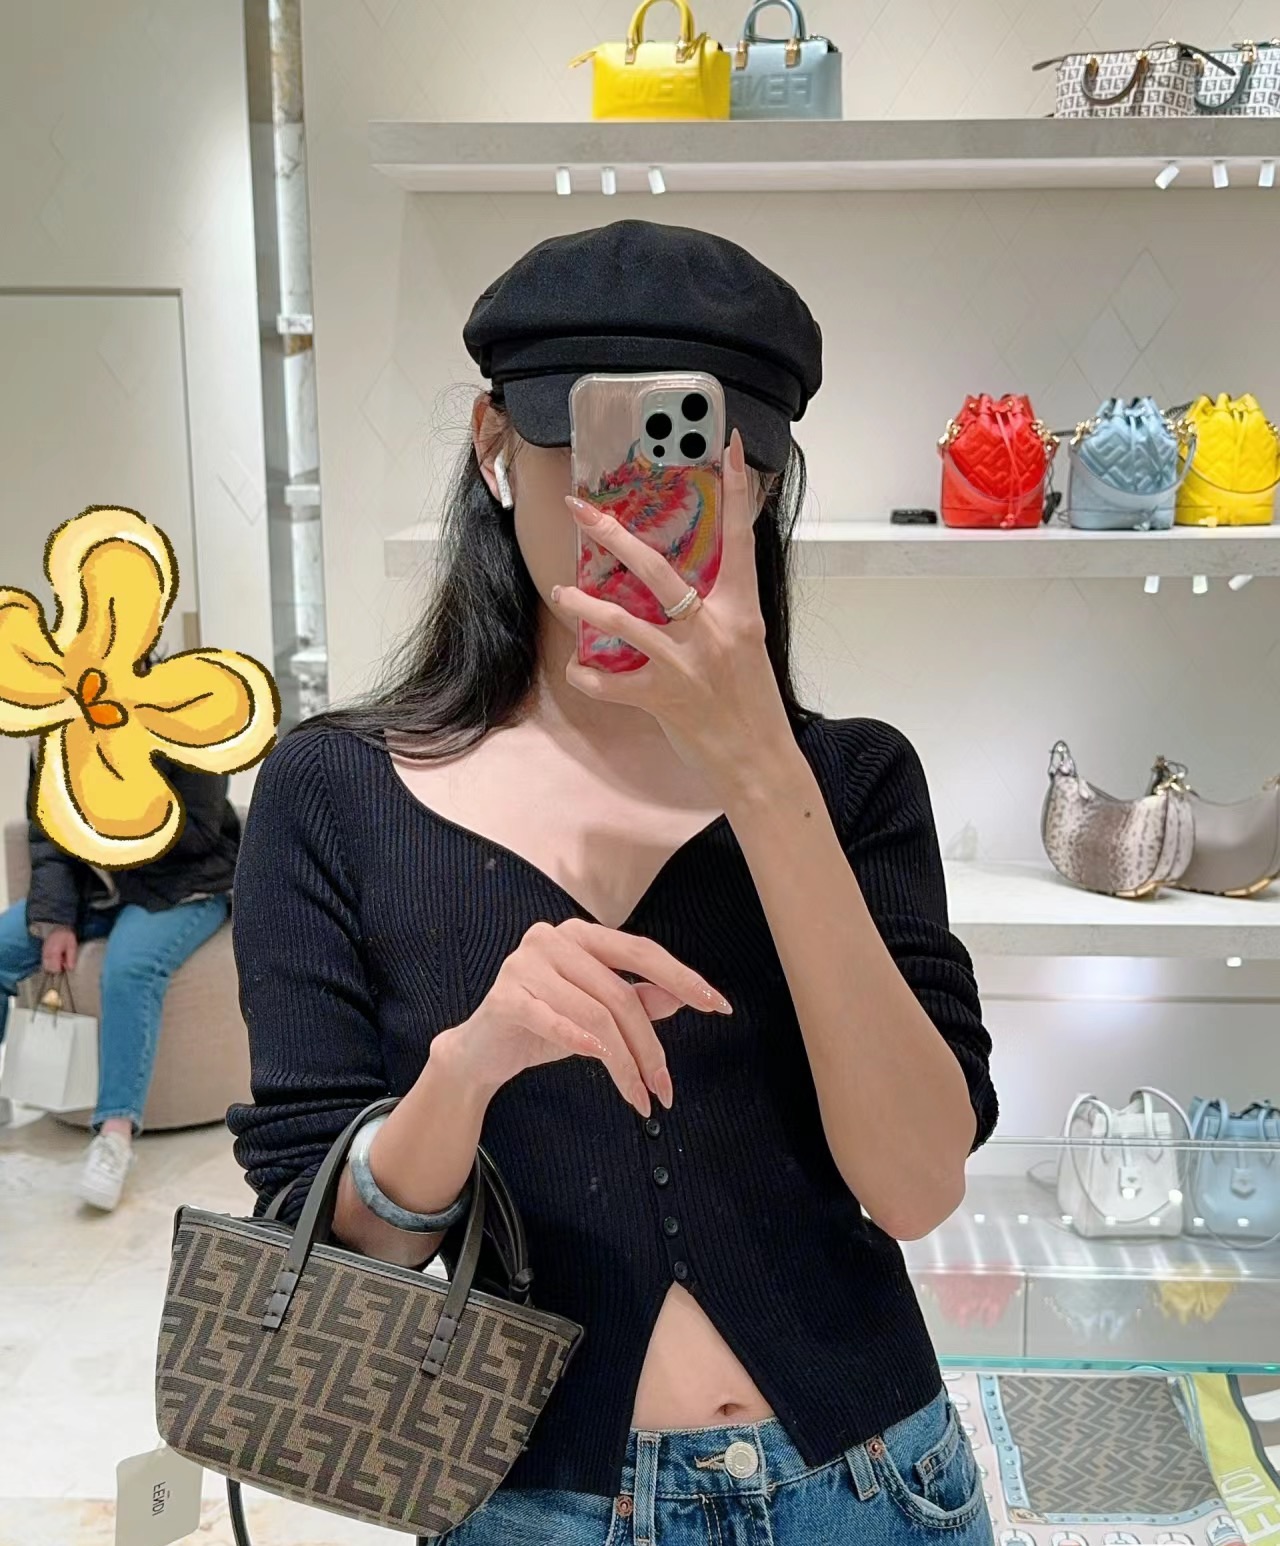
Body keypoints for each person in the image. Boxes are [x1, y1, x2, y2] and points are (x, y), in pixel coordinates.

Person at [227, 220, 998, 1543]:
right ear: (494, 444)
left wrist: (759, 767)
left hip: (874, 1486)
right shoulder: (333, 795)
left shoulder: (851, 780)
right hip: (534, 1505)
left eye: (701, 460)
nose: (640, 510)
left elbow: (918, 1185)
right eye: (598, 455)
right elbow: (333, 1237)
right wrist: (467, 1066)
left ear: (760, 487)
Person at [0, 720, 239, 1210]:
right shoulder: (55, 730)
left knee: (129, 969)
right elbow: (48, 838)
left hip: (181, 886)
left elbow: (198, 831)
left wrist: (115, 796)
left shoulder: (189, 714)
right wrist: (56, 919)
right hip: (96, 892)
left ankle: (114, 1136)